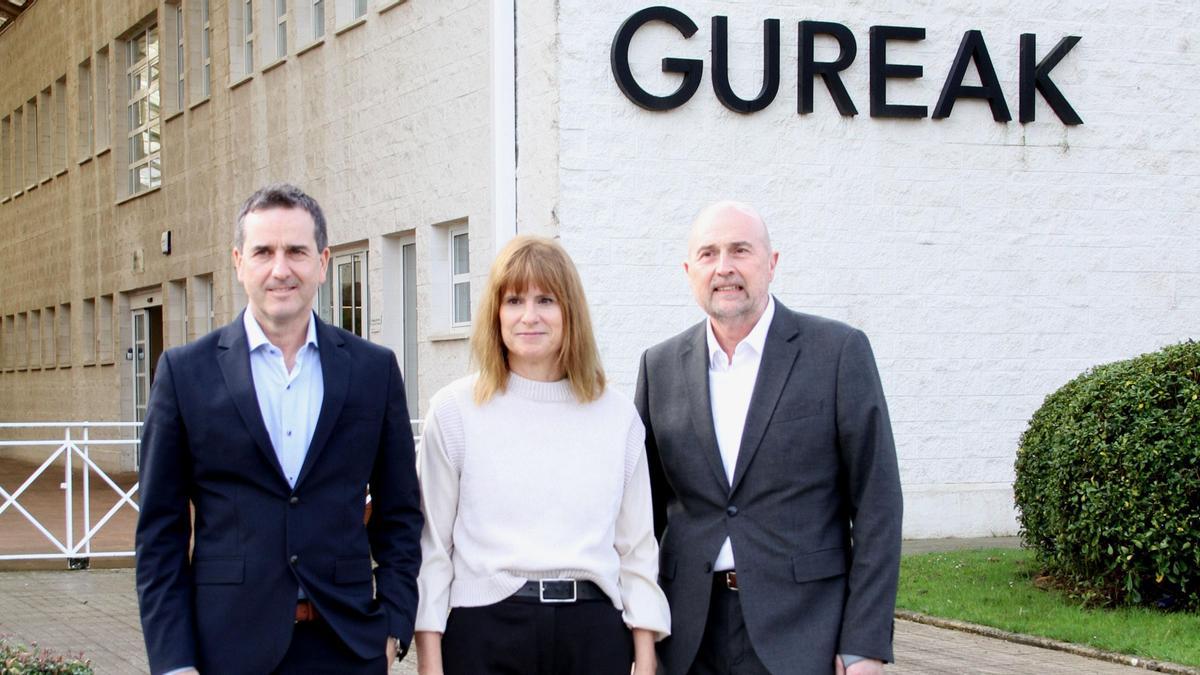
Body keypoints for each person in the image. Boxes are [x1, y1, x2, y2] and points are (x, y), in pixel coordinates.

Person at [135, 184, 423, 674]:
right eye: (263, 252)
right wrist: (174, 663)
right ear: (238, 262)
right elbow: (160, 535)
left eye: (296, 251)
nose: (281, 269)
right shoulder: (185, 373)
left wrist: (394, 621)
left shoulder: (373, 371)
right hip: (226, 651)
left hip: (347, 647)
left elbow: (400, 515)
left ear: (323, 262)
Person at [635, 202, 903, 675]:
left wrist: (865, 642)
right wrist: (642, 638)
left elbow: (877, 505)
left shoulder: (838, 353)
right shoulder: (659, 367)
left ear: (772, 262)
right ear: (688, 271)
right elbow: (641, 518)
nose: (724, 267)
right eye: (708, 254)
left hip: (804, 632)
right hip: (687, 637)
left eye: (740, 250)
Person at [413, 235, 670, 675]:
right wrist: (429, 662)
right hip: (485, 632)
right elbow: (432, 548)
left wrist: (645, 657)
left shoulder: (616, 416)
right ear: (496, 313)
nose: (529, 316)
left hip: (593, 634)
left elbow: (637, 549)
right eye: (514, 300)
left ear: (570, 312)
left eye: (546, 300)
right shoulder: (454, 412)